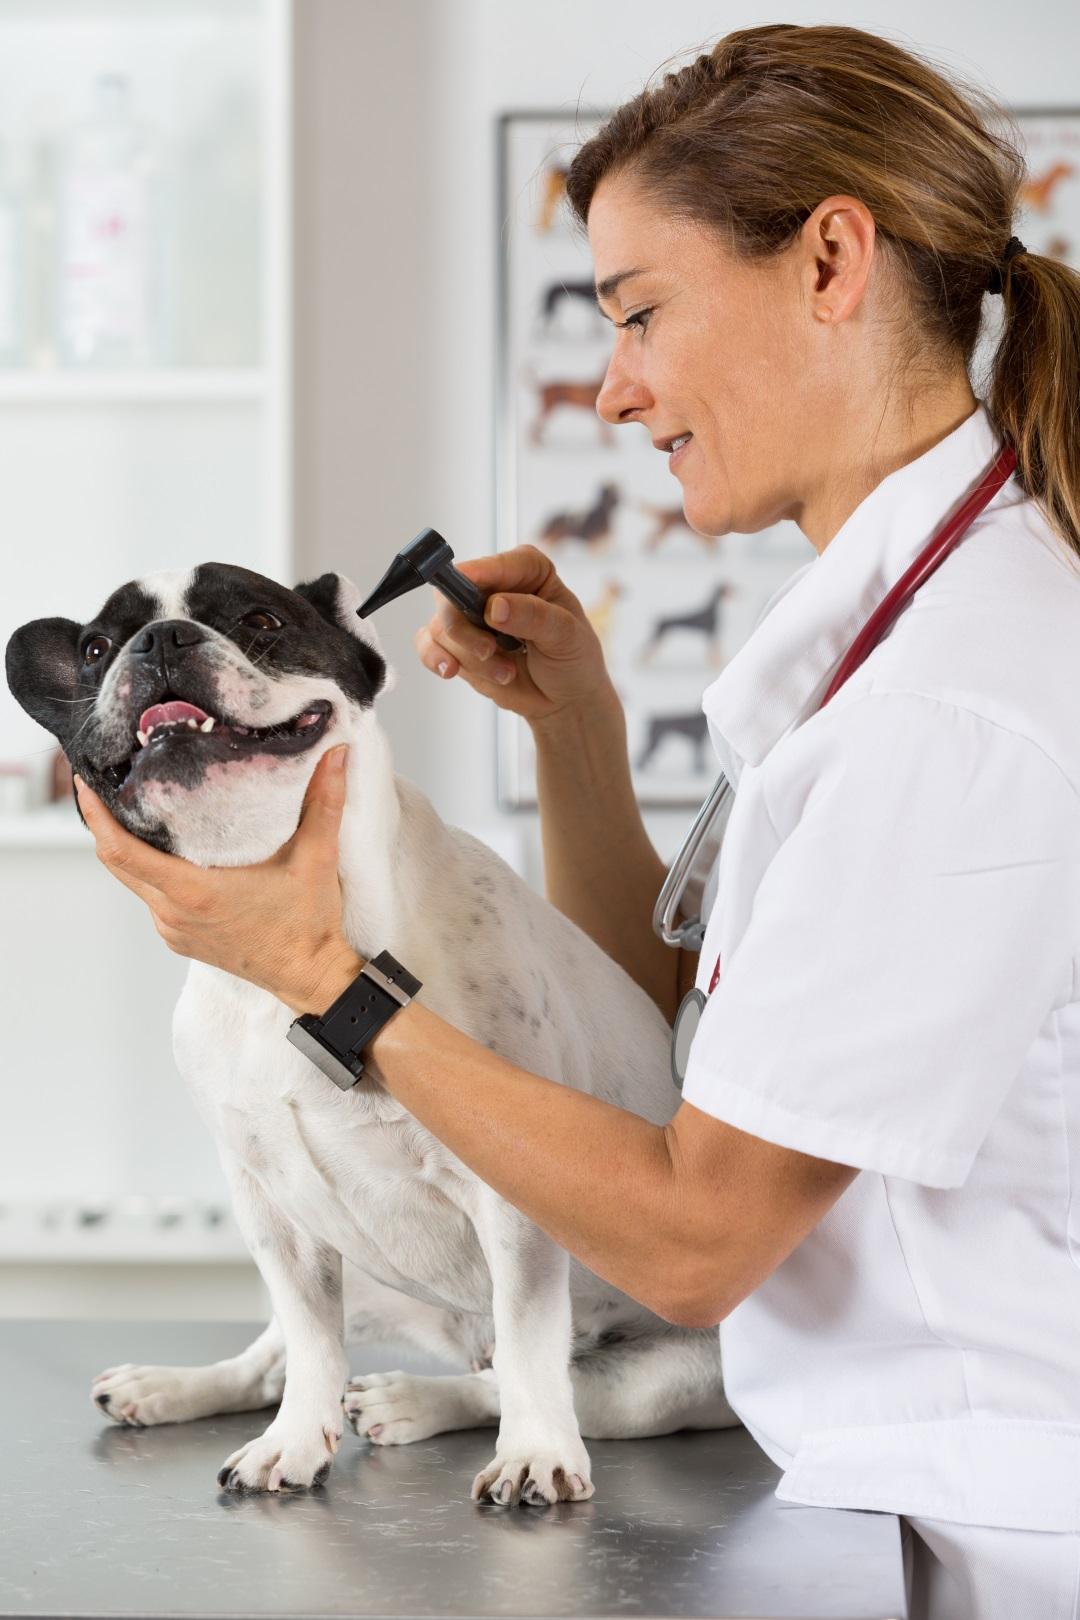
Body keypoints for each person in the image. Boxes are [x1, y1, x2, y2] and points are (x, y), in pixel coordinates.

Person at [73, 21, 1080, 1620]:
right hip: (870, 1493)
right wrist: (579, 737)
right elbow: (678, 1056)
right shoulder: (899, 630)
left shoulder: (950, 713)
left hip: (991, 1541)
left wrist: (322, 979)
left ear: (831, 260)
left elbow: (696, 1239)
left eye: (641, 313)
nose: (616, 391)